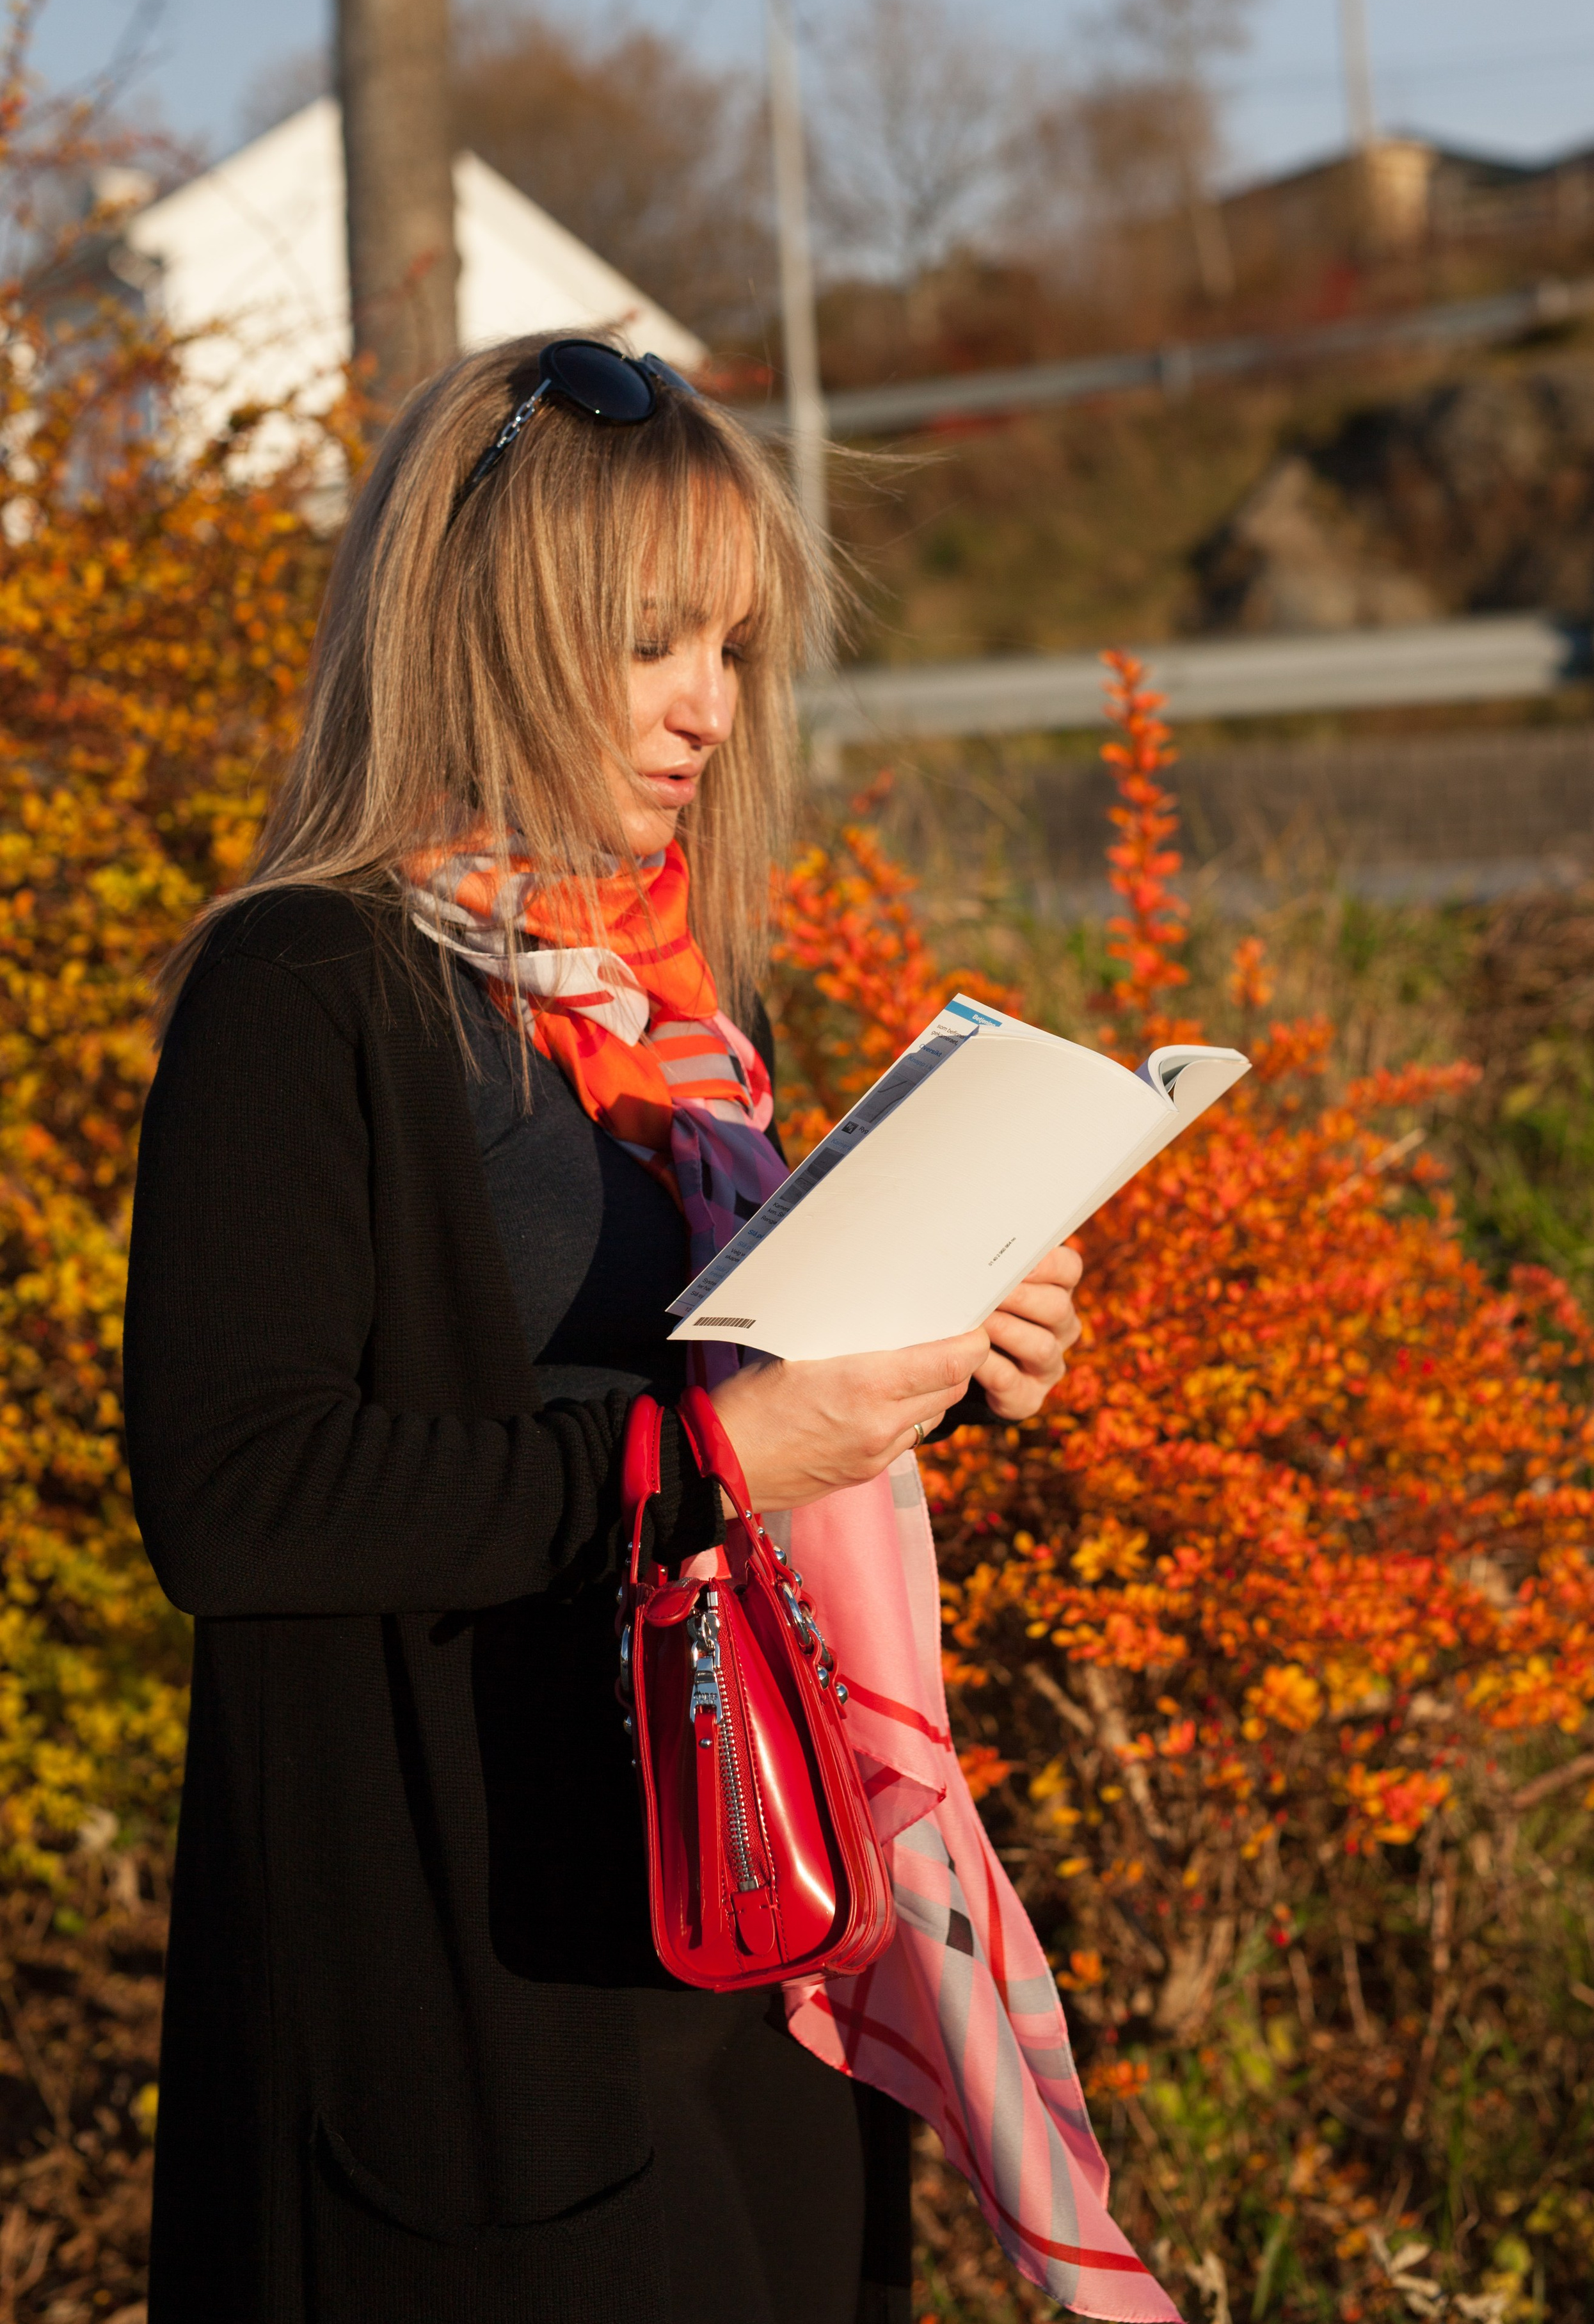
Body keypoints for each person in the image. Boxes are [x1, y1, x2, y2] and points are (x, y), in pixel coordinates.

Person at [124, 334, 1082, 2324]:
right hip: (471, 1998)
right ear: (489, 625)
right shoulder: (308, 987)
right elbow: (240, 1499)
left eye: (731, 652)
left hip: (748, 1941)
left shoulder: (670, 1029)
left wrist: (935, 1361)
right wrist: (720, 1460)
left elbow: (674, 1396)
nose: (709, 713)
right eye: (658, 642)